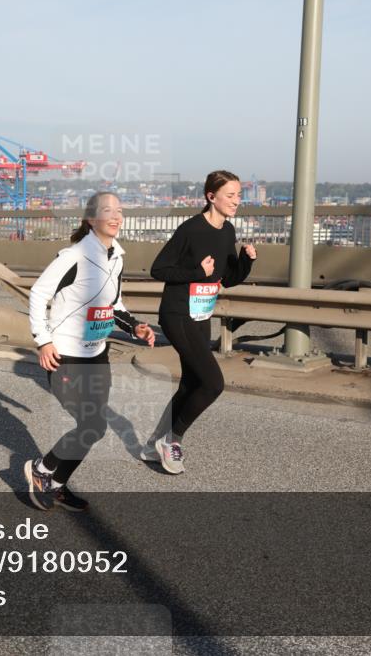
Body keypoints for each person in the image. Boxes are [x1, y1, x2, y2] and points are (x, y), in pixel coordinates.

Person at [25, 192, 155, 511]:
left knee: (93, 429)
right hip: (65, 356)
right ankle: (42, 469)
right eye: (107, 210)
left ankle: (56, 483)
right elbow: (38, 293)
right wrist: (43, 340)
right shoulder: (74, 256)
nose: (116, 216)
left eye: (119, 210)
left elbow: (113, 304)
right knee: (92, 425)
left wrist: (134, 327)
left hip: (97, 355)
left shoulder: (117, 257)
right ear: (91, 219)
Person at [144, 170, 257, 474]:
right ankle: (172, 441)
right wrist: (196, 272)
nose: (236, 201)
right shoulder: (191, 230)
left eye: (238, 195)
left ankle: (153, 443)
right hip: (177, 313)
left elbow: (228, 279)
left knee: (191, 383)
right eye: (230, 195)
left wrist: (246, 261)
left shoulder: (227, 231)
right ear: (211, 196)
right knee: (213, 383)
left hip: (201, 315)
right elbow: (158, 270)